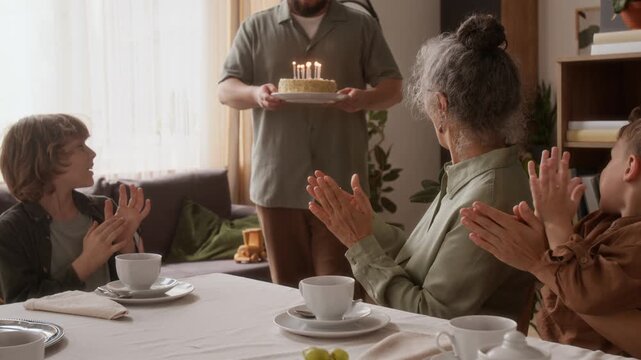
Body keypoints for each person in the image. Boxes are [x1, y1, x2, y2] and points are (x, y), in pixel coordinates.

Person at [305, 14, 534, 327]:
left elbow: (432, 316)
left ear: (440, 106)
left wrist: (360, 244)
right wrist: (367, 227)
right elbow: (421, 265)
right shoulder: (473, 177)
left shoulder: (486, 197)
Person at [218, 0, 402, 287]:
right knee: (287, 294)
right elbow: (226, 90)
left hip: (340, 185)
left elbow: (393, 89)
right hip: (277, 183)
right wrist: (256, 94)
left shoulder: (360, 24)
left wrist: (363, 99)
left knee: (340, 293)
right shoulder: (256, 27)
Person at [460, 109, 641, 358]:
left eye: (610, 158)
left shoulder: (636, 241)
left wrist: (557, 224)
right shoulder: (603, 222)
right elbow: (563, 259)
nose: (602, 170)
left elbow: (585, 291)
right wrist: (543, 228)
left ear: (630, 167)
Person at [0, 114, 151, 303]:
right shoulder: (10, 230)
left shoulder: (102, 209)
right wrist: (85, 263)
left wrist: (126, 243)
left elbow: (139, 288)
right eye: (80, 146)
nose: (92, 154)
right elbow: (20, 304)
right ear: (47, 160)